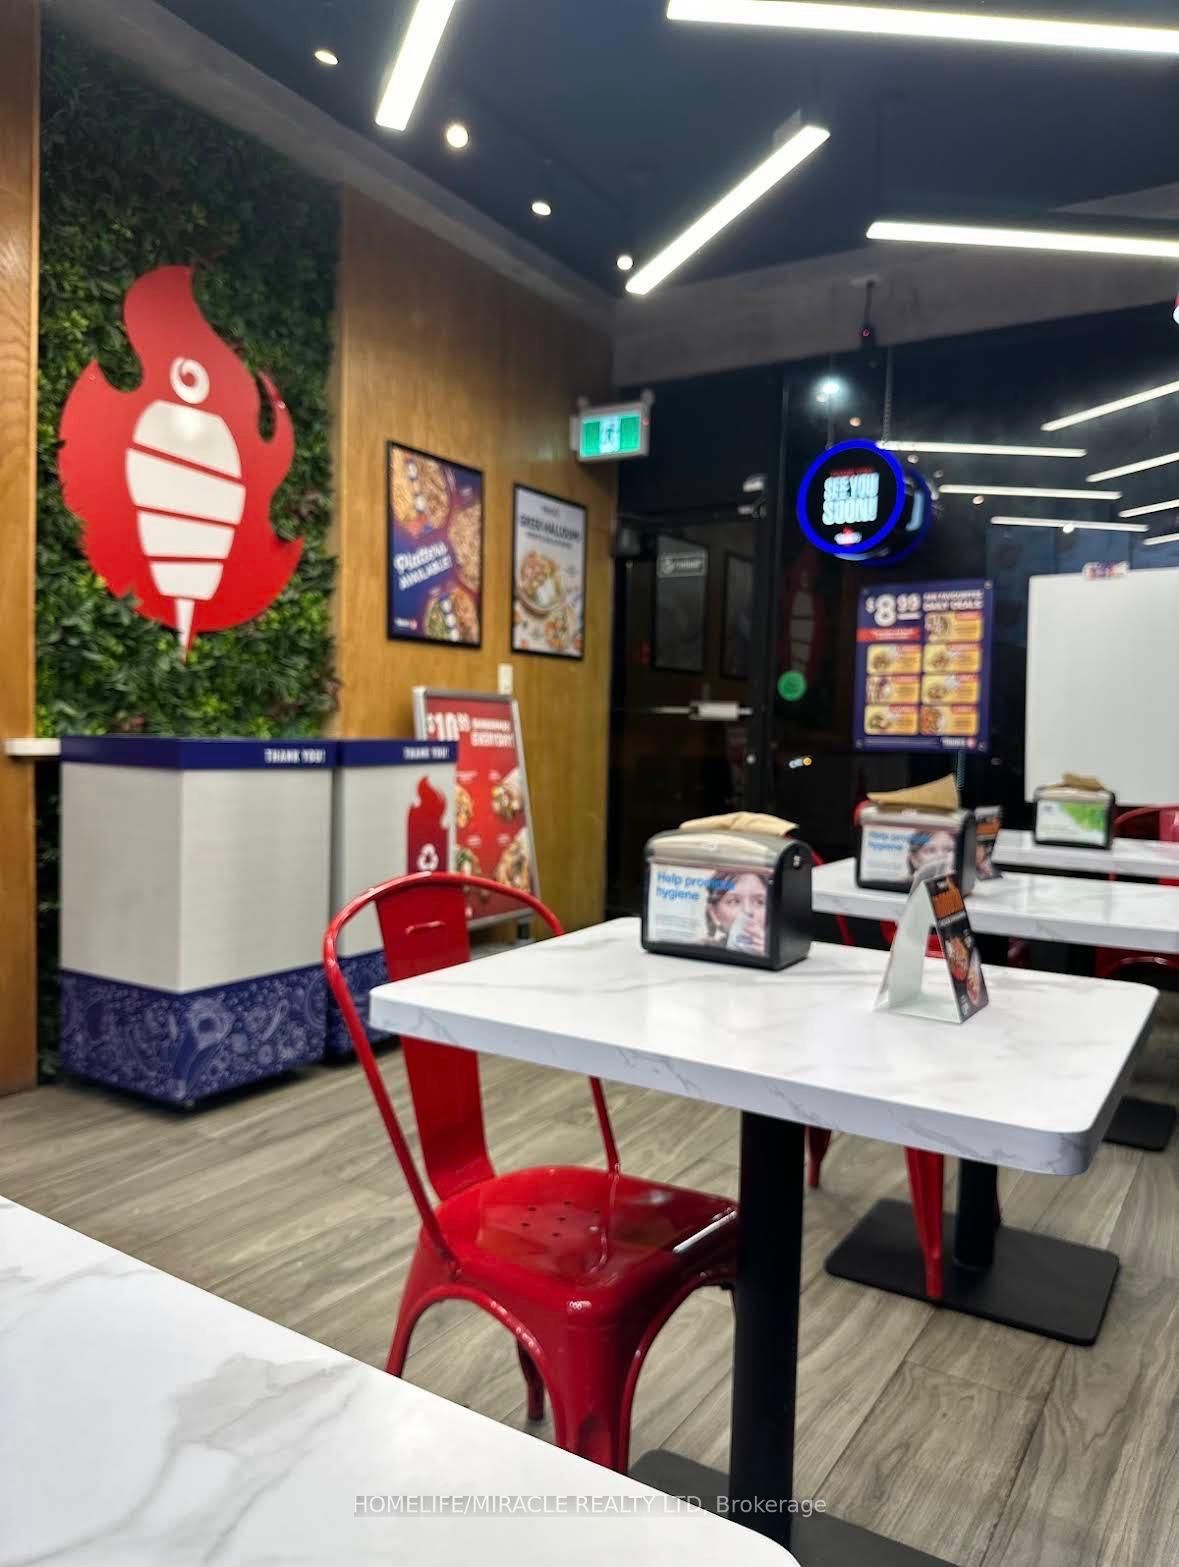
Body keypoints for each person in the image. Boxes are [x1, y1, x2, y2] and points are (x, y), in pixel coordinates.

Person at [705, 871, 769, 953]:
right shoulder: (701, 951)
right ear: (714, 913)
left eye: (759, 902)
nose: (747, 910)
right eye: (734, 901)